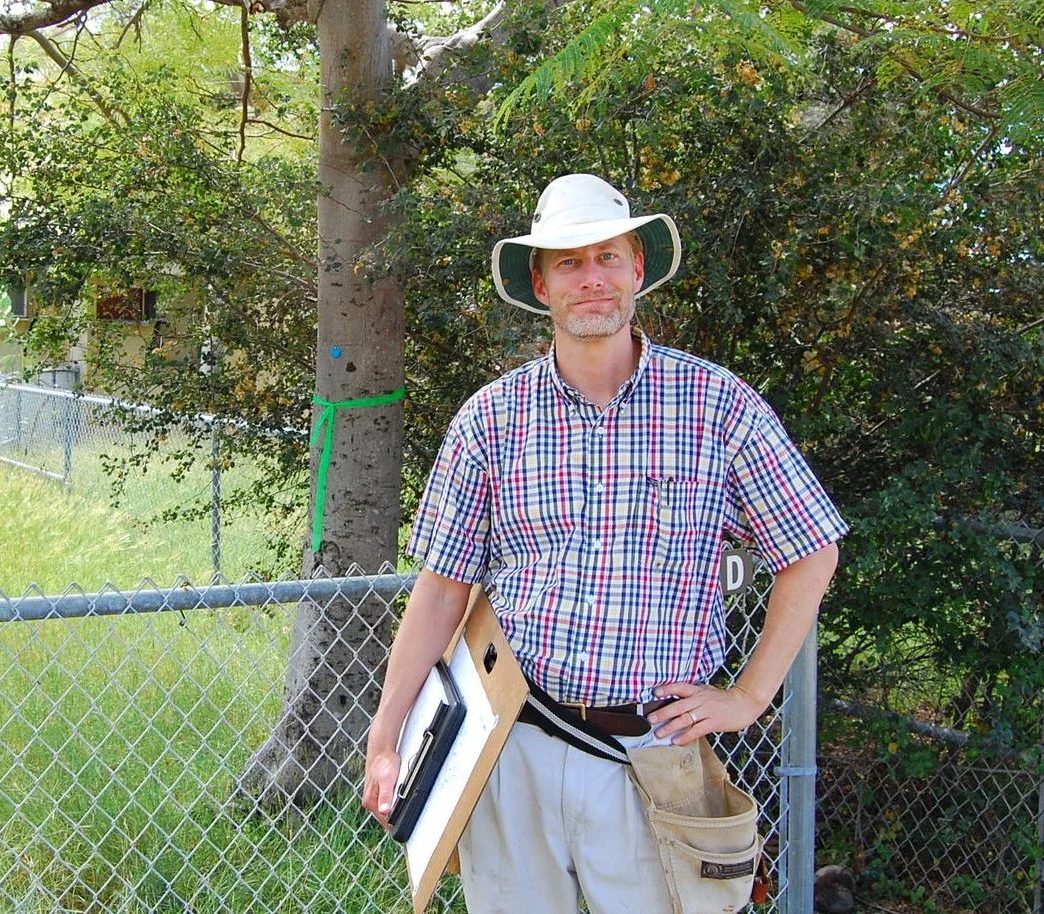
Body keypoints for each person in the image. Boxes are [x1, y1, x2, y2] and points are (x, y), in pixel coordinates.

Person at [362, 173, 847, 914]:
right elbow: (440, 589)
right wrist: (386, 734)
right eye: (569, 262)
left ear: (637, 270)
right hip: (512, 746)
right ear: (540, 283)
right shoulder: (491, 418)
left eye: (608, 257)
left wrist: (749, 696)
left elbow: (810, 550)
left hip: (653, 758)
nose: (591, 277)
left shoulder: (717, 406)